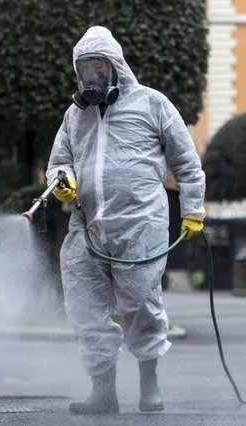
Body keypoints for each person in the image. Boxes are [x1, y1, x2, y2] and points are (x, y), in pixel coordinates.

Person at [46, 25, 206, 415]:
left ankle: (149, 386)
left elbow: (187, 164)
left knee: (141, 305)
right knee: (85, 309)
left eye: (100, 66)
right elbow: (58, 163)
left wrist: (192, 211)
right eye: (85, 69)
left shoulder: (153, 104)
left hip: (140, 226)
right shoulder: (74, 115)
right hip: (86, 228)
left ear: (117, 66)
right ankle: (104, 392)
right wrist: (61, 182)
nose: (93, 76)